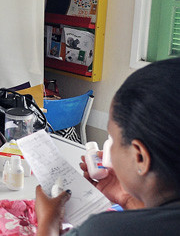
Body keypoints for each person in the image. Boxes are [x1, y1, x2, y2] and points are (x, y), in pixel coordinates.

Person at [35, 57, 180, 235]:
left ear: (140, 157)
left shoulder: (102, 230)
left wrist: (47, 220)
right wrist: (128, 201)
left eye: (111, 137)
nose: (108, 151)